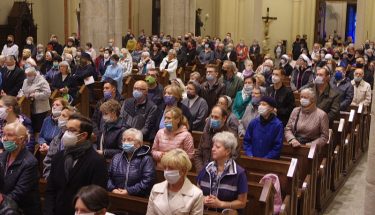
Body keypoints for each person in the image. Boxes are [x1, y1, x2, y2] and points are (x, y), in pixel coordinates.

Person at [44, 114, 108, 215]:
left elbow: (96, 197)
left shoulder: (97, 161)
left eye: (71, 130)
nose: (66, 133)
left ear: (83, 135)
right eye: (66, 129)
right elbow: (50, 190)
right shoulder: (58, 157)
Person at [197, 131, 248, 213]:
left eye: (217, 147)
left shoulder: (239, 173)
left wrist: (221, 204)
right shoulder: (206, 168)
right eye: (213, 146)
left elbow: (242, 203)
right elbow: (196, 192)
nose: (213, 149)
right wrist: (203, 199)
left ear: (227, 151)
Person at [0, 122, 41, 215]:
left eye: (9, 135)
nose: (4, 138)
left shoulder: (30, 162)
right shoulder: (2, 156)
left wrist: (1, 200)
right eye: (3, 134)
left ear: (21, 139)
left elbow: (19, 192)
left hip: (23, 210)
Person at [147, 149, 203, 215]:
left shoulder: (196, 194)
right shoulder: (156, 188)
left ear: (183, 171)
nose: (166, 171)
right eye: (165, 167)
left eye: (171, 168)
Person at [108, 128, 155, 197]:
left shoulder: (146, 159)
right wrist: (113, 189)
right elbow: (107, 177)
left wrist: (129, 191)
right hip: (115, 195)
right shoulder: (117, 157)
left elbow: (147, 181)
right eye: (123, 140)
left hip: (136, 198)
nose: (125, 142)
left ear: (139, 143)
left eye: (129, 140)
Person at [194, 106, 237, 172]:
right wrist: (201, 172)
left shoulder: (231, 137)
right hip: (204, 173)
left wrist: (217, 173)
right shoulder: (206, 133)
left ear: (224, 118)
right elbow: (198, 155)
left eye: (216, 117)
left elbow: (233, 158)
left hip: (221, 174)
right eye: (212, 117)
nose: (213, 119)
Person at [42, 105, 75, 179]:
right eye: (60, 115)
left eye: (63, 116)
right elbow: (48, 160)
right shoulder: (56, 139)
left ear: (71, 120)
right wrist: (49, 178)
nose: (60, 118)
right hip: (54, 180)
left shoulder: (76, 139)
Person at [17, 67, 51, 132]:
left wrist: (35, 95)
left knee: (39, 127)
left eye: (29, 75)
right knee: (33, 126)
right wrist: (20, 95)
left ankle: (39, 139)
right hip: (28, 107)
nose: (27, 77)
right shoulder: (25, 81)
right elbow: (23, 90)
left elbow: (47, 93)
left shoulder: (42, 81)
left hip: (41, 108)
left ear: (34, 74)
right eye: (26, 75)